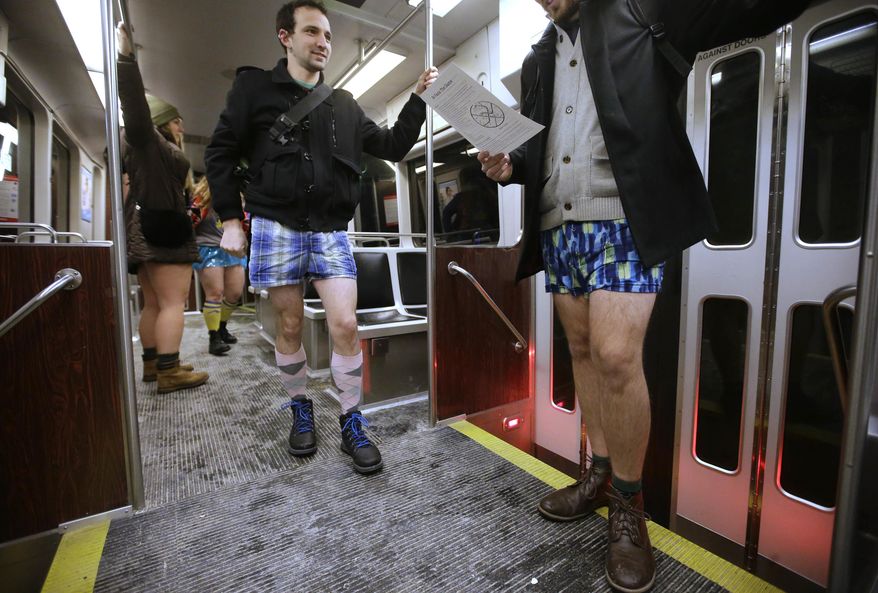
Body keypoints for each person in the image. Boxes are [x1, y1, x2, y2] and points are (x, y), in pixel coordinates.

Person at [478, 0, 812, 591]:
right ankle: (597, 473)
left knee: (614, 356)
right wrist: (509, 165)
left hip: (623, 217)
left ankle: (629, 507)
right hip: (560, 223)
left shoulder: (639, 9)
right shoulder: (537, 58)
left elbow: (738, 12)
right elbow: (540, 148)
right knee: (580, 352)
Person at [205, 0, 438, 474]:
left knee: (345, 326)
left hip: (330, 229)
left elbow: (393, 146)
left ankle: (352, 420)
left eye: (328, 36)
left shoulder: (345, 106)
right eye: (312, 32)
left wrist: (418, 98)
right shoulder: (253, 90)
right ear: (285, 37)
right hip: (276, 224)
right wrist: (231, 219)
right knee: (290, 328)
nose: (323, 43)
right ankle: (300, 409)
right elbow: (220, 153)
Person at [117, 24, 209, 394]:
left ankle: (155, 363)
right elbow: (135, 110)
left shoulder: (139, 151)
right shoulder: (148, 141)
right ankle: (170, 372)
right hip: (163, 229)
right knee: (174, 302)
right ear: (159, 122)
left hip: (143, 229)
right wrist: (127, 60)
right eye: (174, 120)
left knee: (154, 303)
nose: (181, 125)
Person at [189, 177, 248, 356]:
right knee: (215, 293)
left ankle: (222, 327)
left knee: (234, 294)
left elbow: (245, 223)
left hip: (232, 250)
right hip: (208, 248)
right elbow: (190, 222)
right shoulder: (201, 199)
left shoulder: (239, 197)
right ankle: (213, 337)